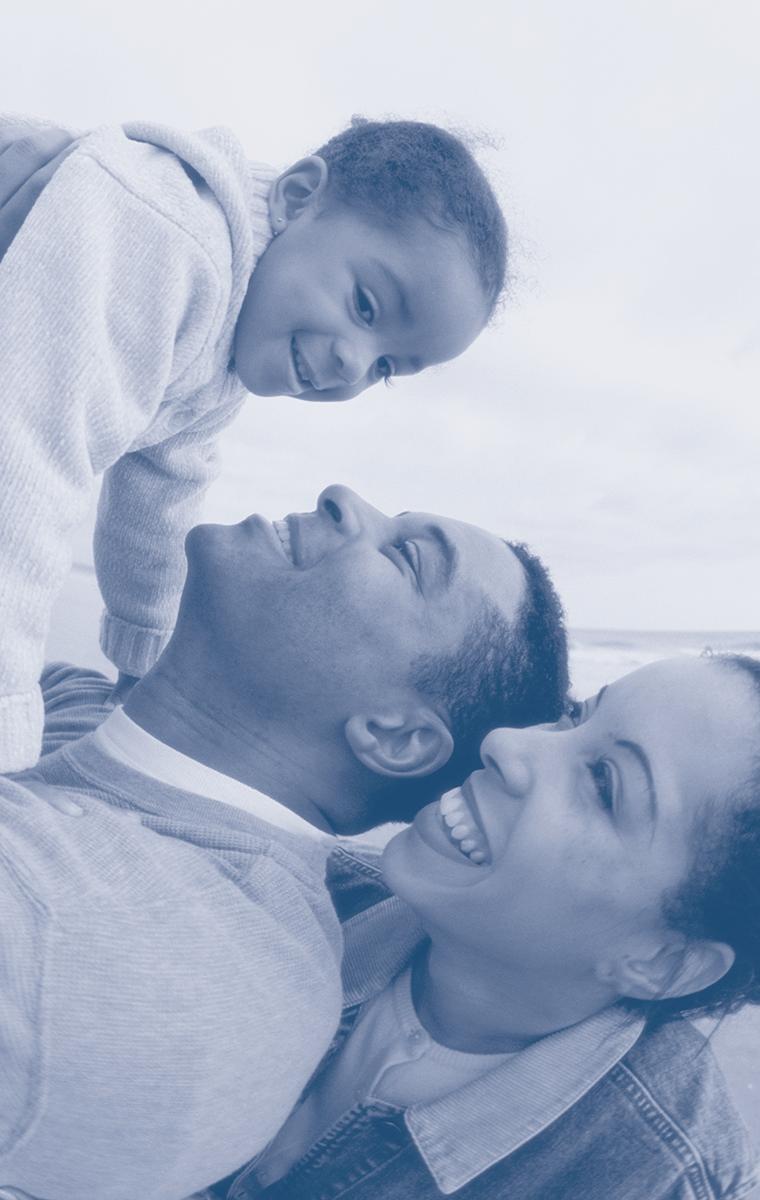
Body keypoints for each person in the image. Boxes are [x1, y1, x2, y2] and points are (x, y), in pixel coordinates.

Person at [0, 485, 569, 1200]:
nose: (342, 496)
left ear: (394, 735)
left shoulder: (112, 951)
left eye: (407, 557)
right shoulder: (73, 719)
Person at [0, 113, 507, 771]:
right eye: (365, 306)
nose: (354, 364)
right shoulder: (169, 237)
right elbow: (26, 460)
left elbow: (159, 503)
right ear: (296, 198)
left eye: (385, 366)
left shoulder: (222, 358)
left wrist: (141, 663)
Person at [221, 654, 760, 1200]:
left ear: (661, 963)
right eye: (574, 716)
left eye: (602, 782)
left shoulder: (657, 1178)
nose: (505, 742)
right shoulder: (284, 888)